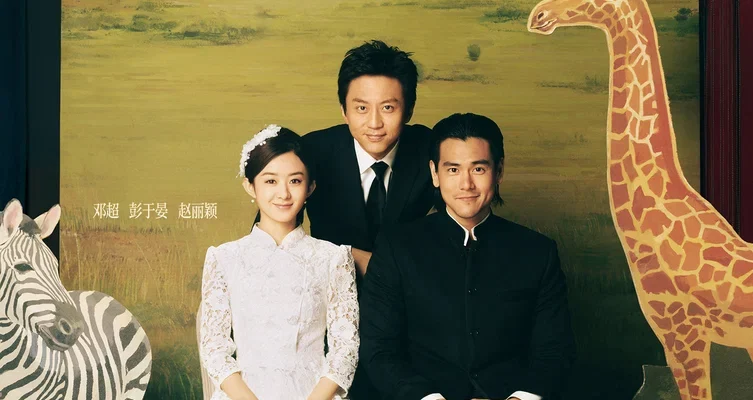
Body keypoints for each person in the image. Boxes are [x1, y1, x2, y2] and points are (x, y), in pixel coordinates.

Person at [360, 113, 576, 400]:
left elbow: (555, 351)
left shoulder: (538, 251)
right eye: (453, 169)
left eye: (478, 169)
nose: (466, 184)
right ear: (434, 174)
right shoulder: (396, 248)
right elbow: (379, 350)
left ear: (499, 171)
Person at [302, 40, 435, 400]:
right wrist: (349, 256)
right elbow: (270, 238)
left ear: (409, 109)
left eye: (388, 107)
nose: (374, 123)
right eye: (361, 108)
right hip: (327, 313)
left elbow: (455, 226)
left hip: (408, 316)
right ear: (344, 109)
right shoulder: (313, 152)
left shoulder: (430, 150)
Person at [199, 125, 359, 400]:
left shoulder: (333, 258)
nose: (283, 193)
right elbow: (214, 347)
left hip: (314, 394)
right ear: (250, 186)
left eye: (295, 181)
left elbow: (345, 348)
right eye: (270, 181)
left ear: (310, 187)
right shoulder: (223, 258)